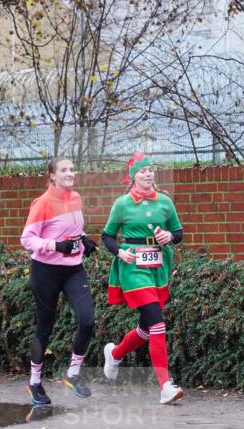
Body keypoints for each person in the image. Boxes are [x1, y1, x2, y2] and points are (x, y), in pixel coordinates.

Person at [101, 152, 184, 404]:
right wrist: (120, 252)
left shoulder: (165, 202)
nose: (148, 174)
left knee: (146, 329)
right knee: (158, 325)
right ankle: (165, 387)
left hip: (158, 266)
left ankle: (115, 354)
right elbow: (107, 236)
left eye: (150, 170)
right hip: (133, 267)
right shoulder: (122, 204)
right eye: (142, 171)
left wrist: (169, 237)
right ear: (133, 177)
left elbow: (178, 233)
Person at [20, 157, 98, 406]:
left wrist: (84, 239)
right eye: (64, 170)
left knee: (87, 320)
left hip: (74, 269)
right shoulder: (43, 203)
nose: (70, 173)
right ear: (52, 175)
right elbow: (27, 238)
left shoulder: (75, 198)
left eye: (72, 169)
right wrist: (55, 245)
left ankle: (73, 373)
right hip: (46, 270)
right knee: (45, 326)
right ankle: (35, 381)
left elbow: (73, 229)